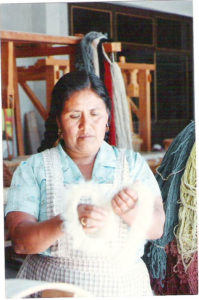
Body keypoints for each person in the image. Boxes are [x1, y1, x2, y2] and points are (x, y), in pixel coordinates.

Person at [5, 70, 165, 297]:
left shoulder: (132, 164)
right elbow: (20, 241)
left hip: (124, 289)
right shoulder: (34, 169)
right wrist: (67, 219)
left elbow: (157, 228)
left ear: (107, 116)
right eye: (74, 116)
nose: (85, 125)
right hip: (53, 288)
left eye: (94, 114)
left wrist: (131, 211)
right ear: (59, 119)